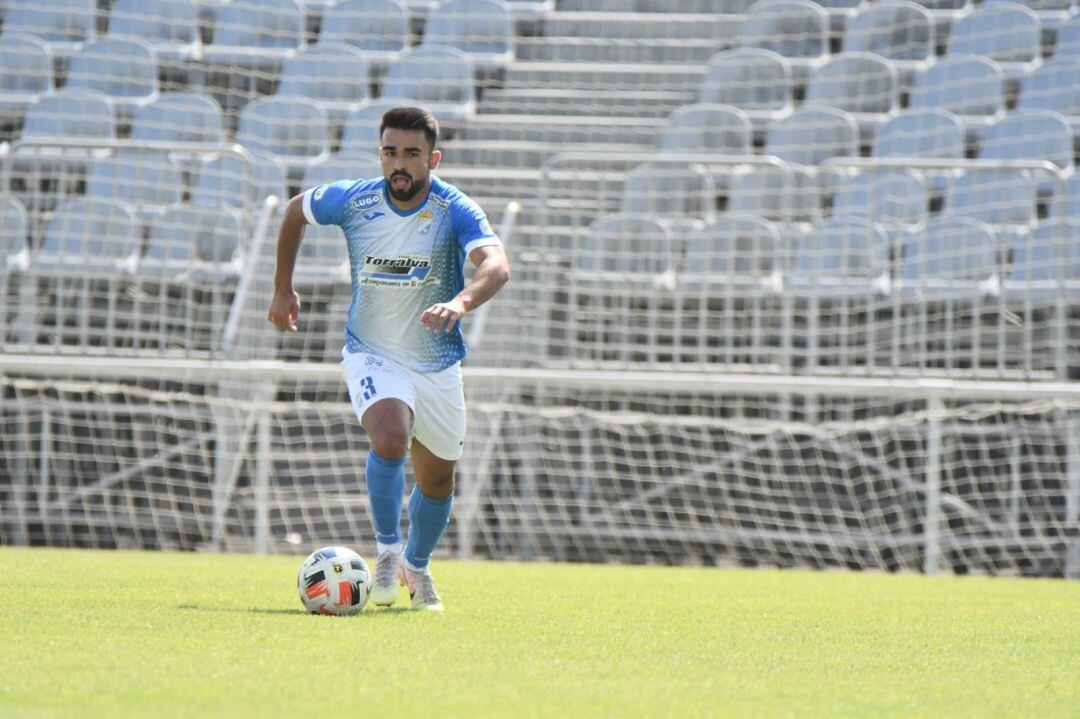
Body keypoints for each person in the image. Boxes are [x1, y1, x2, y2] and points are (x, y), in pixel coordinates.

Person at [267, 107, 511, 611]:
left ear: (433, 159)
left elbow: (498, 266)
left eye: (412, 154)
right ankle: (385, 551)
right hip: (371, 351)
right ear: (380, 153)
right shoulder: (354, 200)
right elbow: (294, 210)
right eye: (390, 152)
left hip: (436, 360)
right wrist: (282, 288)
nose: (399, 163)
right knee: (389, 435)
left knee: (438, 478)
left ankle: (416, 567)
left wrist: (460, 302)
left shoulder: (453, 209)